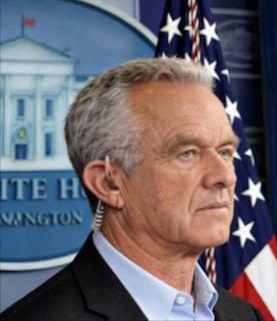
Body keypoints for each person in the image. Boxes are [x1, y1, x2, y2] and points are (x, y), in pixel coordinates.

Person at [0, 58, 262, 321]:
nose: (225, 176)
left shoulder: (244, 315)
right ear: (109, 183)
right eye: (187, 154)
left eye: (225, 152)